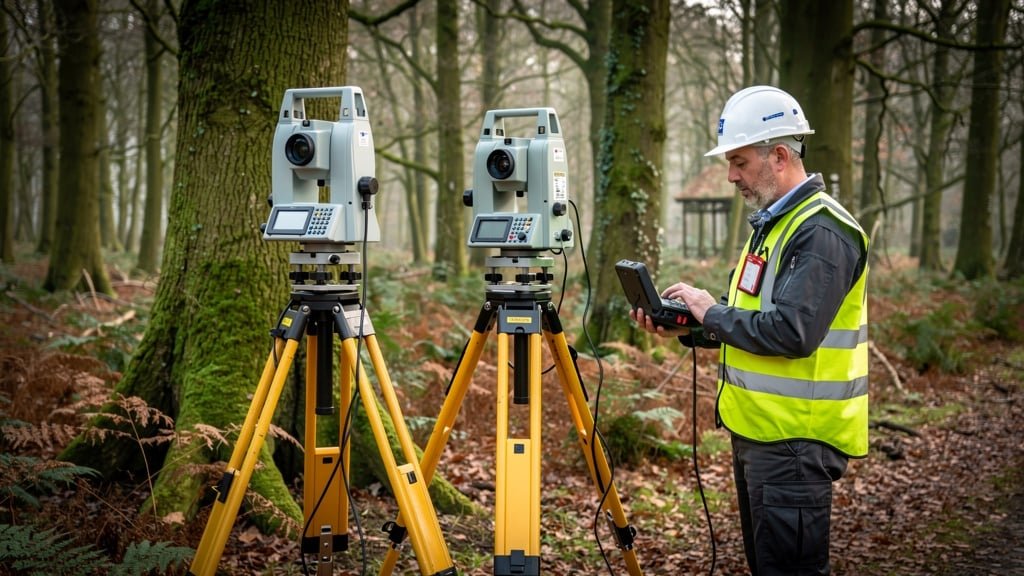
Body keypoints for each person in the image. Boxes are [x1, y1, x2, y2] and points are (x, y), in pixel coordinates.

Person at [631, 85, 869, 575]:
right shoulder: (775, 225)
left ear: (778, 155)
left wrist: (707, 310)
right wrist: (689, 326)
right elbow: (755, 322)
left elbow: (790, 333)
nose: (730, 175)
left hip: (794, 445)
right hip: (763, 438)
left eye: (738, 161)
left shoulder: (820, 232)